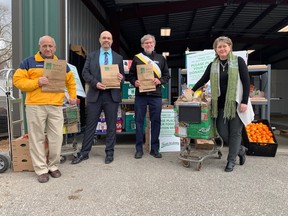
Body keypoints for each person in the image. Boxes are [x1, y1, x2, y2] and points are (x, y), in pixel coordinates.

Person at [13, 35, 77, 183]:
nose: (48, 49)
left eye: (50, 46)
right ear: (39, 47)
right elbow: (17, 81)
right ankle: (41, 169)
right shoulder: (28, 62)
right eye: (44, 46)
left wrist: (72, 96)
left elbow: (71, 82)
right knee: (37, 138)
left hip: (55, 106)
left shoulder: (61, 65)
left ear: (54, 48)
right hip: (35, 105)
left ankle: (53, 166)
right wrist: (37, 82)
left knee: (56, 138)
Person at [191, 36, 254, 172]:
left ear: (230, 47)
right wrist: (191, 91)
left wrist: (244, 101)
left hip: (235, 103)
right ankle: (241, 150)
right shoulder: (213, 65)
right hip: (219, 104)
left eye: (225, 46)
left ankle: (231, 161)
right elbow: (203, 79)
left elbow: (246, 81)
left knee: (235, 133)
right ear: (216, 49)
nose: (222, 49)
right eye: (219, 47)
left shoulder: (238, 62)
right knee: (222, 132)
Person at [72, 31, 125, 165]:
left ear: (112, 41)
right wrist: (95, 83)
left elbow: (122, 78)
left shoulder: (118, 58)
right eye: (104, 38)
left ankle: (109, 152)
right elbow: (85, 73)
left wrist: (121, 78)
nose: (106, 40)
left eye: (109, 38)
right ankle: (84, 153)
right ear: (100, 40)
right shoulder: (91, 55)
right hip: (95, 94)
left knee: (111, 125)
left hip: (111, 95)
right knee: (90, 125)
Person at [127, 34, 171, 159]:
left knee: (156, 121)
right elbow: (130, 76)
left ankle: (154, 149)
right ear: (142, 45)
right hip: (140, 95)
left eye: (151, 42)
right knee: (139, 121)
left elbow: (167, 76)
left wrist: (160, 81)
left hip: (155, 95)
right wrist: (134, 82)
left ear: (154, 44)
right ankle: (139, 149)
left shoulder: (161, 58)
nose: (149, 44)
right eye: (146, 43)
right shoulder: (137, 58)